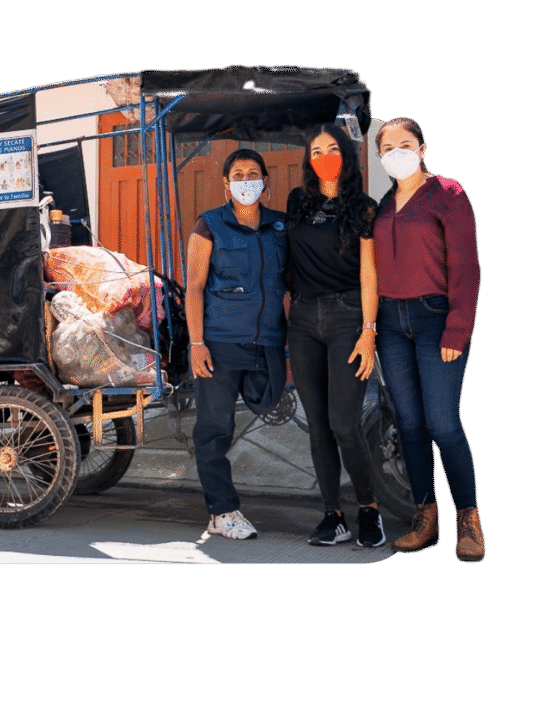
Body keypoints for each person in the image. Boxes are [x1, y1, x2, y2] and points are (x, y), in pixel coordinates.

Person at [373, 117, 484, 562]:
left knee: (443, 424)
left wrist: (459, 327)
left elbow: (467, 266)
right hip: (390, 323)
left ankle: (469, 520)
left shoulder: (448, 194)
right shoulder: (384, 204)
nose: (396, 153)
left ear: (422, 149)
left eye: (405, 144)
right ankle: (425, 518)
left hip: (436, 319)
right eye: (387, 148)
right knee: (409, 424)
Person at [286, 123, 385, 548]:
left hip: (348, 317)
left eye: (332, 149)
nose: (324, 157)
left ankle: (369, 509)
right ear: (308, 160)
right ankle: (333, 515)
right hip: (304, 319)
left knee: (344, 423)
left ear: (346, 155)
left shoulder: (364, 207)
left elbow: (369, 274)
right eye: (316, 151)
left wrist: (368, 332)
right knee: (318, 426)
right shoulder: (297, 201)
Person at [185, 149, 287, 539]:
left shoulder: (280, 226)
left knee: (269, 399)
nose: (247, 180)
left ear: (265, 181)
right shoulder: (209, 224)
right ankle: (221, 511)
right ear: (227, 184)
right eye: (238, 174)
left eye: (253, 173)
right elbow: (195, 285)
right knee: (214, 427)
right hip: (221, 340)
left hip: (268, 340)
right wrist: (197, 343)